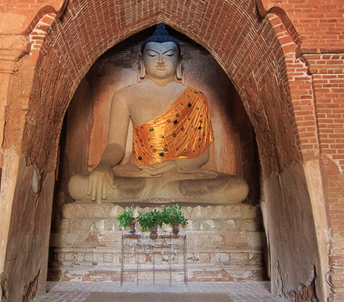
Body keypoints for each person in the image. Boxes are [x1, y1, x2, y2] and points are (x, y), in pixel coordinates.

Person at [67, 24, 248, 205]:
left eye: (169, 55)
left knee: (237, 188)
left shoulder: (197, 98)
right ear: (141, 61)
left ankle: (157, 190)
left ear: (179, 62)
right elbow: (115, 145)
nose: (160, 61)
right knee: (78, 185)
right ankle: (163, 191)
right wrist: (104, 166)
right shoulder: (125, 95)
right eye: (153, 55)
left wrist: (174, 166)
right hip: (138, 171)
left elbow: (203, 156)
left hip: (181, 174)